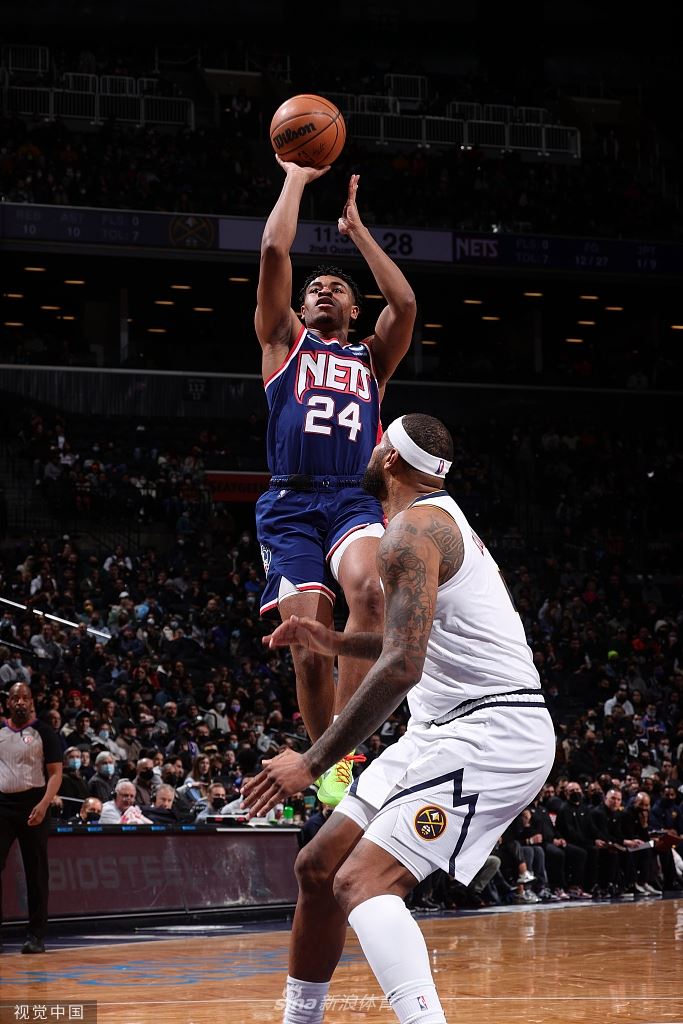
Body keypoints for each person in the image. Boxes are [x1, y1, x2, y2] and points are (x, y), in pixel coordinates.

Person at [243, 413, 555, 1024]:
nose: (369, 448)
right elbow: (407, 640)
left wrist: (313, 762)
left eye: (378, 442)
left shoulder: (410, 532)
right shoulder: (430, 523)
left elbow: (403, 667)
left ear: (388, 458)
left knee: (361, 882)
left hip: (492, 731)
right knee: (318, 867)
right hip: (439, 730)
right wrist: (333, 641)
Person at [254, 159, 416, 805]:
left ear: (353, 308)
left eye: (337, 288)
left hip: (352, 495)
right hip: (290, 501)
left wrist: (357, 231)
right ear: (299, 306)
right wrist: (296, 177)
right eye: (314, 287)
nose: (324, 291)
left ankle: (343, 743)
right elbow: (274, 249)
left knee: (372, 592)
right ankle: (328, 760)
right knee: (306, 648)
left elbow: (405, 304)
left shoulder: (371, 358)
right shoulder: (283, 342)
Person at [0, 682, 63, 953]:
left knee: (36, 872)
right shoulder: (1, 731)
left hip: (34, 803)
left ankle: (36, 936)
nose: (20, 702)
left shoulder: (44, 732)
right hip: (3, 805)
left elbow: (56, 773)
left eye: (25, 697)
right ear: (8, 703)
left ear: (32, 702)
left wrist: (44, 804)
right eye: (15, 697)